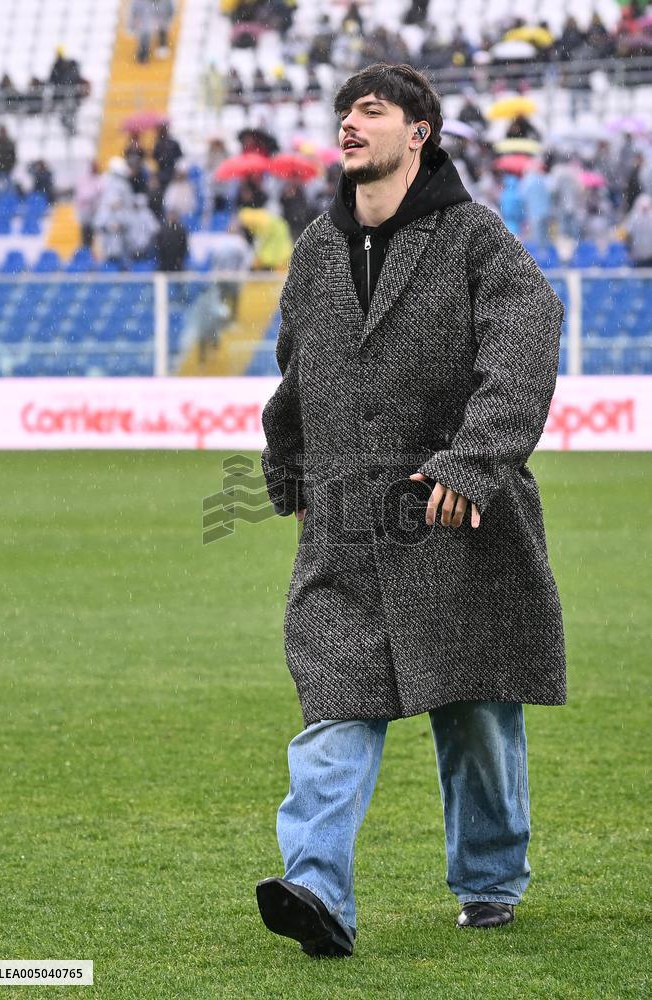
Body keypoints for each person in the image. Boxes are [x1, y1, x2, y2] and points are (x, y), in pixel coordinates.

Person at [256, 63, 567, 957]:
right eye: (343, 110)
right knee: (334, 707)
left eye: (371, 110)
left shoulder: (475, 238)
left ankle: (490, 881)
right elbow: (296, 371)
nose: (348, 124)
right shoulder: (317, 248)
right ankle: (316, 892)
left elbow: (523, 346)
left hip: (457, 517)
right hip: (345, 529)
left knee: (474, 711)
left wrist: (471, 464)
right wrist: (288, 467)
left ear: (418, 131)